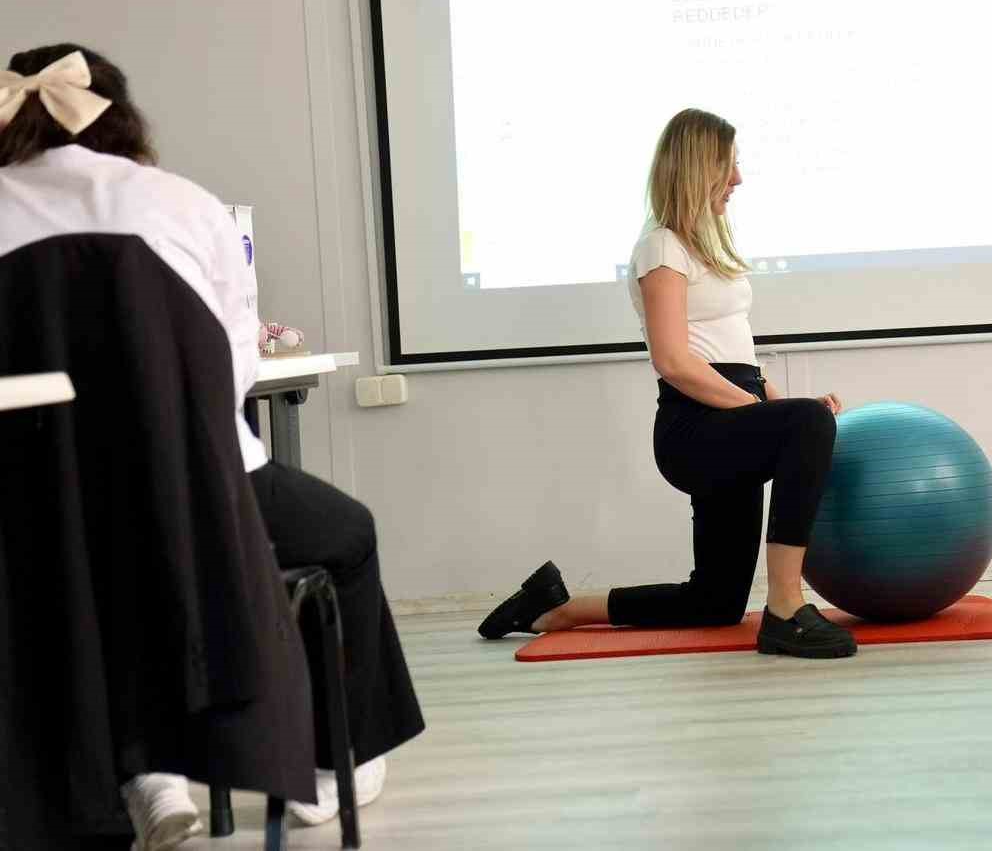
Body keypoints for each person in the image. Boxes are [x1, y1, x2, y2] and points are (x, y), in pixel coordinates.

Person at [0, 45, 425, 849]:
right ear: (118, 113)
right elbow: (229, 372)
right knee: (346, 533)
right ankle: (327, 768)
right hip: (191, 497)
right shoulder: (183, 206)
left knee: (80, 574)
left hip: (29, 514)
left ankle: (139, 773)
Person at [479, 108, 857, 659]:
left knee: (715, 603)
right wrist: (770, 414)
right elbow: (675, 362)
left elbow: (733, 352)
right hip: (695, 428)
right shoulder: (661, 247)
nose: (739, 179)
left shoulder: (704, 245)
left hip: (727, 414)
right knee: (809, 425)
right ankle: (785, 609)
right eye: (728, 165)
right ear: (698, 168)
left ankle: (557, 607)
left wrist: (780, 403)